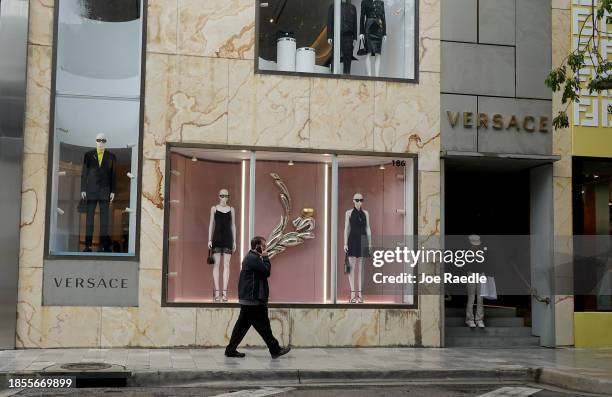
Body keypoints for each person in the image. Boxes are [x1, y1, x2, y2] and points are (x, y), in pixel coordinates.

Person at [224, 236, 291, 359]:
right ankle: (275, 350)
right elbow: (266, 271)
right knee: (264, 327)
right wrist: (266, 257)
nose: (265, 248)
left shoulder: (252, 258)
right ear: (257, 246)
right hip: (253, 300)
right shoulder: (253, 259)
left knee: (241, 327)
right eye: (264, 246)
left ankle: (230, 350)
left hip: (250, 300)